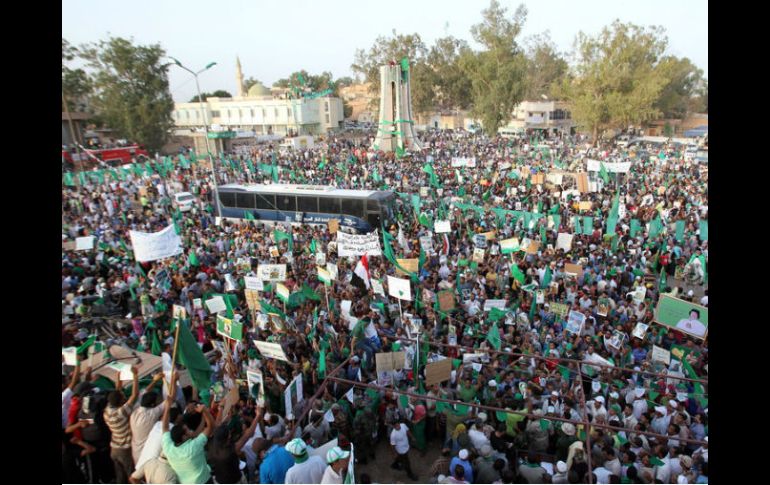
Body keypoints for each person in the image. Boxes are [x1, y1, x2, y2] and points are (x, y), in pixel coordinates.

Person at [161, 377, 215, 485]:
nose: (189, 431)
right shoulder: (193, 447)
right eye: (187, 431)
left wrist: (167, 407)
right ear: (183, 437)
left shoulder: (168, 448)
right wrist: (204, 411)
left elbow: (165, 427)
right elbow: (211, 426)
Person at [103, 366, 140, 483]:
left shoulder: (107, 410)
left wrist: (119, 379)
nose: (125, 398)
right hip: (124, 449)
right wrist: (135, 376)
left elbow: (116, 393)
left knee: (120, 476)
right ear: (119, 402)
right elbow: (134, 395)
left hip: (114, 448)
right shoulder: (120, 413)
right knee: (131, 475)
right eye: (123, 398)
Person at [129, 372, 166, 463]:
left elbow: (143, 393)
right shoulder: (152, 414)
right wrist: (172, 381)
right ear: (153, 404)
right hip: (149, 455)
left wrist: (155, 381)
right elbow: (170, 399)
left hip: (136, 453)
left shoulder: (134, 412)